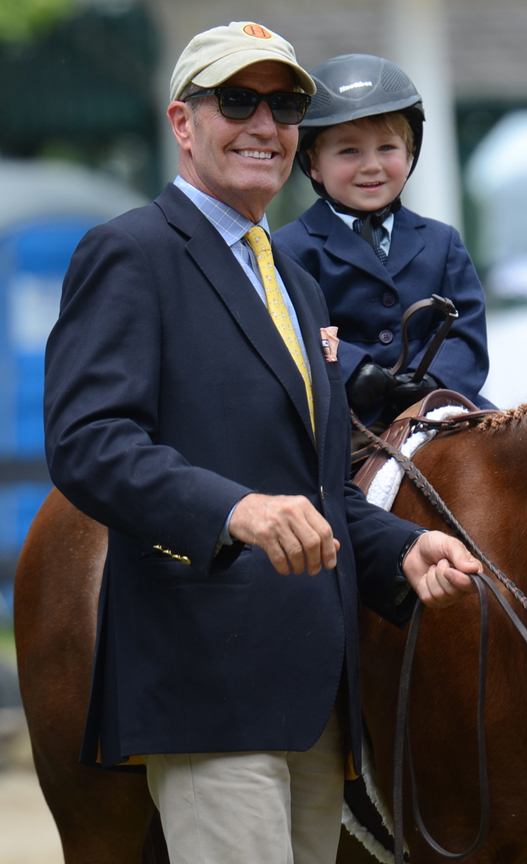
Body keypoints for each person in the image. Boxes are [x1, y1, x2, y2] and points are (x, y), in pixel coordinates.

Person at [43, 21, 480, 864]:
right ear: (183, 122)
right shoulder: (129, 251)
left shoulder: (297, 281)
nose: (264, 123)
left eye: (284, 106)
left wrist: (404, 549)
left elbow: (318, 489)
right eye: (237, 99)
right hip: (208, 686)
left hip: (317, 695)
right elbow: (88, 444)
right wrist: (234, 511)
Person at [273, 54, 494, 431]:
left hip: (438, 411)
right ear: (313, 165)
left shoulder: (443, 241)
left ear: (409, 156)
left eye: (387, 149)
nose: (371, 165)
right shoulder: (290, 249)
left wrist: (435, 380)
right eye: (349, 151)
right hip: (345, 420)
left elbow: (465, 330)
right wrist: (351, 369)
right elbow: (300, 331)